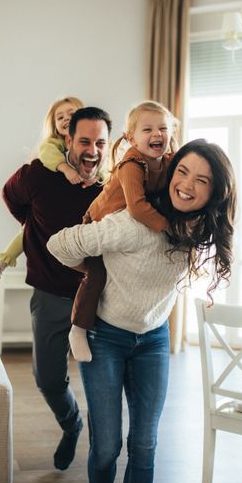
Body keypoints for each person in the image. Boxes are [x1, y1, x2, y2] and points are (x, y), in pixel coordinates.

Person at [47, 139, 237, 483]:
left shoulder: (197, 231)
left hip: (154, 339)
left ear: (215, 192)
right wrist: (97, 271)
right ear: (169, 174)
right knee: (106, 447)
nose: (187, 184)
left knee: (145, 444)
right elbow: (59, 245)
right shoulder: (132, 224)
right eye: (182, 171)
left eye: (202, 180)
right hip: (105, 337)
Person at [1, 106, 110, 472]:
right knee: (47, 380)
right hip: (49, 294)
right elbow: (9, 195)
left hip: (98, 302)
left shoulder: (110, 188)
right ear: (67, 140)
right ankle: (70, 423)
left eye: (100, 142)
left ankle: (101, 479)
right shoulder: (37, 175)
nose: (92, 150)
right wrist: (33, 227)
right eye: (84, 141)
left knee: (102, 393)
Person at [68, 101, 179, 363]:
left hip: (123, 229)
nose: (157, 134)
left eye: (163, 128)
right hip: (98, 221)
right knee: (96, 275)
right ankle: (78, 328)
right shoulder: (131, 163)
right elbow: (138, 208)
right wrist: (167, 227)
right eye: (147, 129)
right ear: (131, 138)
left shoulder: (167, 161)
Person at [0, 96, 90, 280]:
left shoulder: (92, 147)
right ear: (54, 125)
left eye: (71, 114)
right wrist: (65, 169)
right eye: (60, 117)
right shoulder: (52, 145)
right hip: (51, 207)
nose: (65, 119)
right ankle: (2, 264)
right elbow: (48, 155)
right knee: (28, 229)